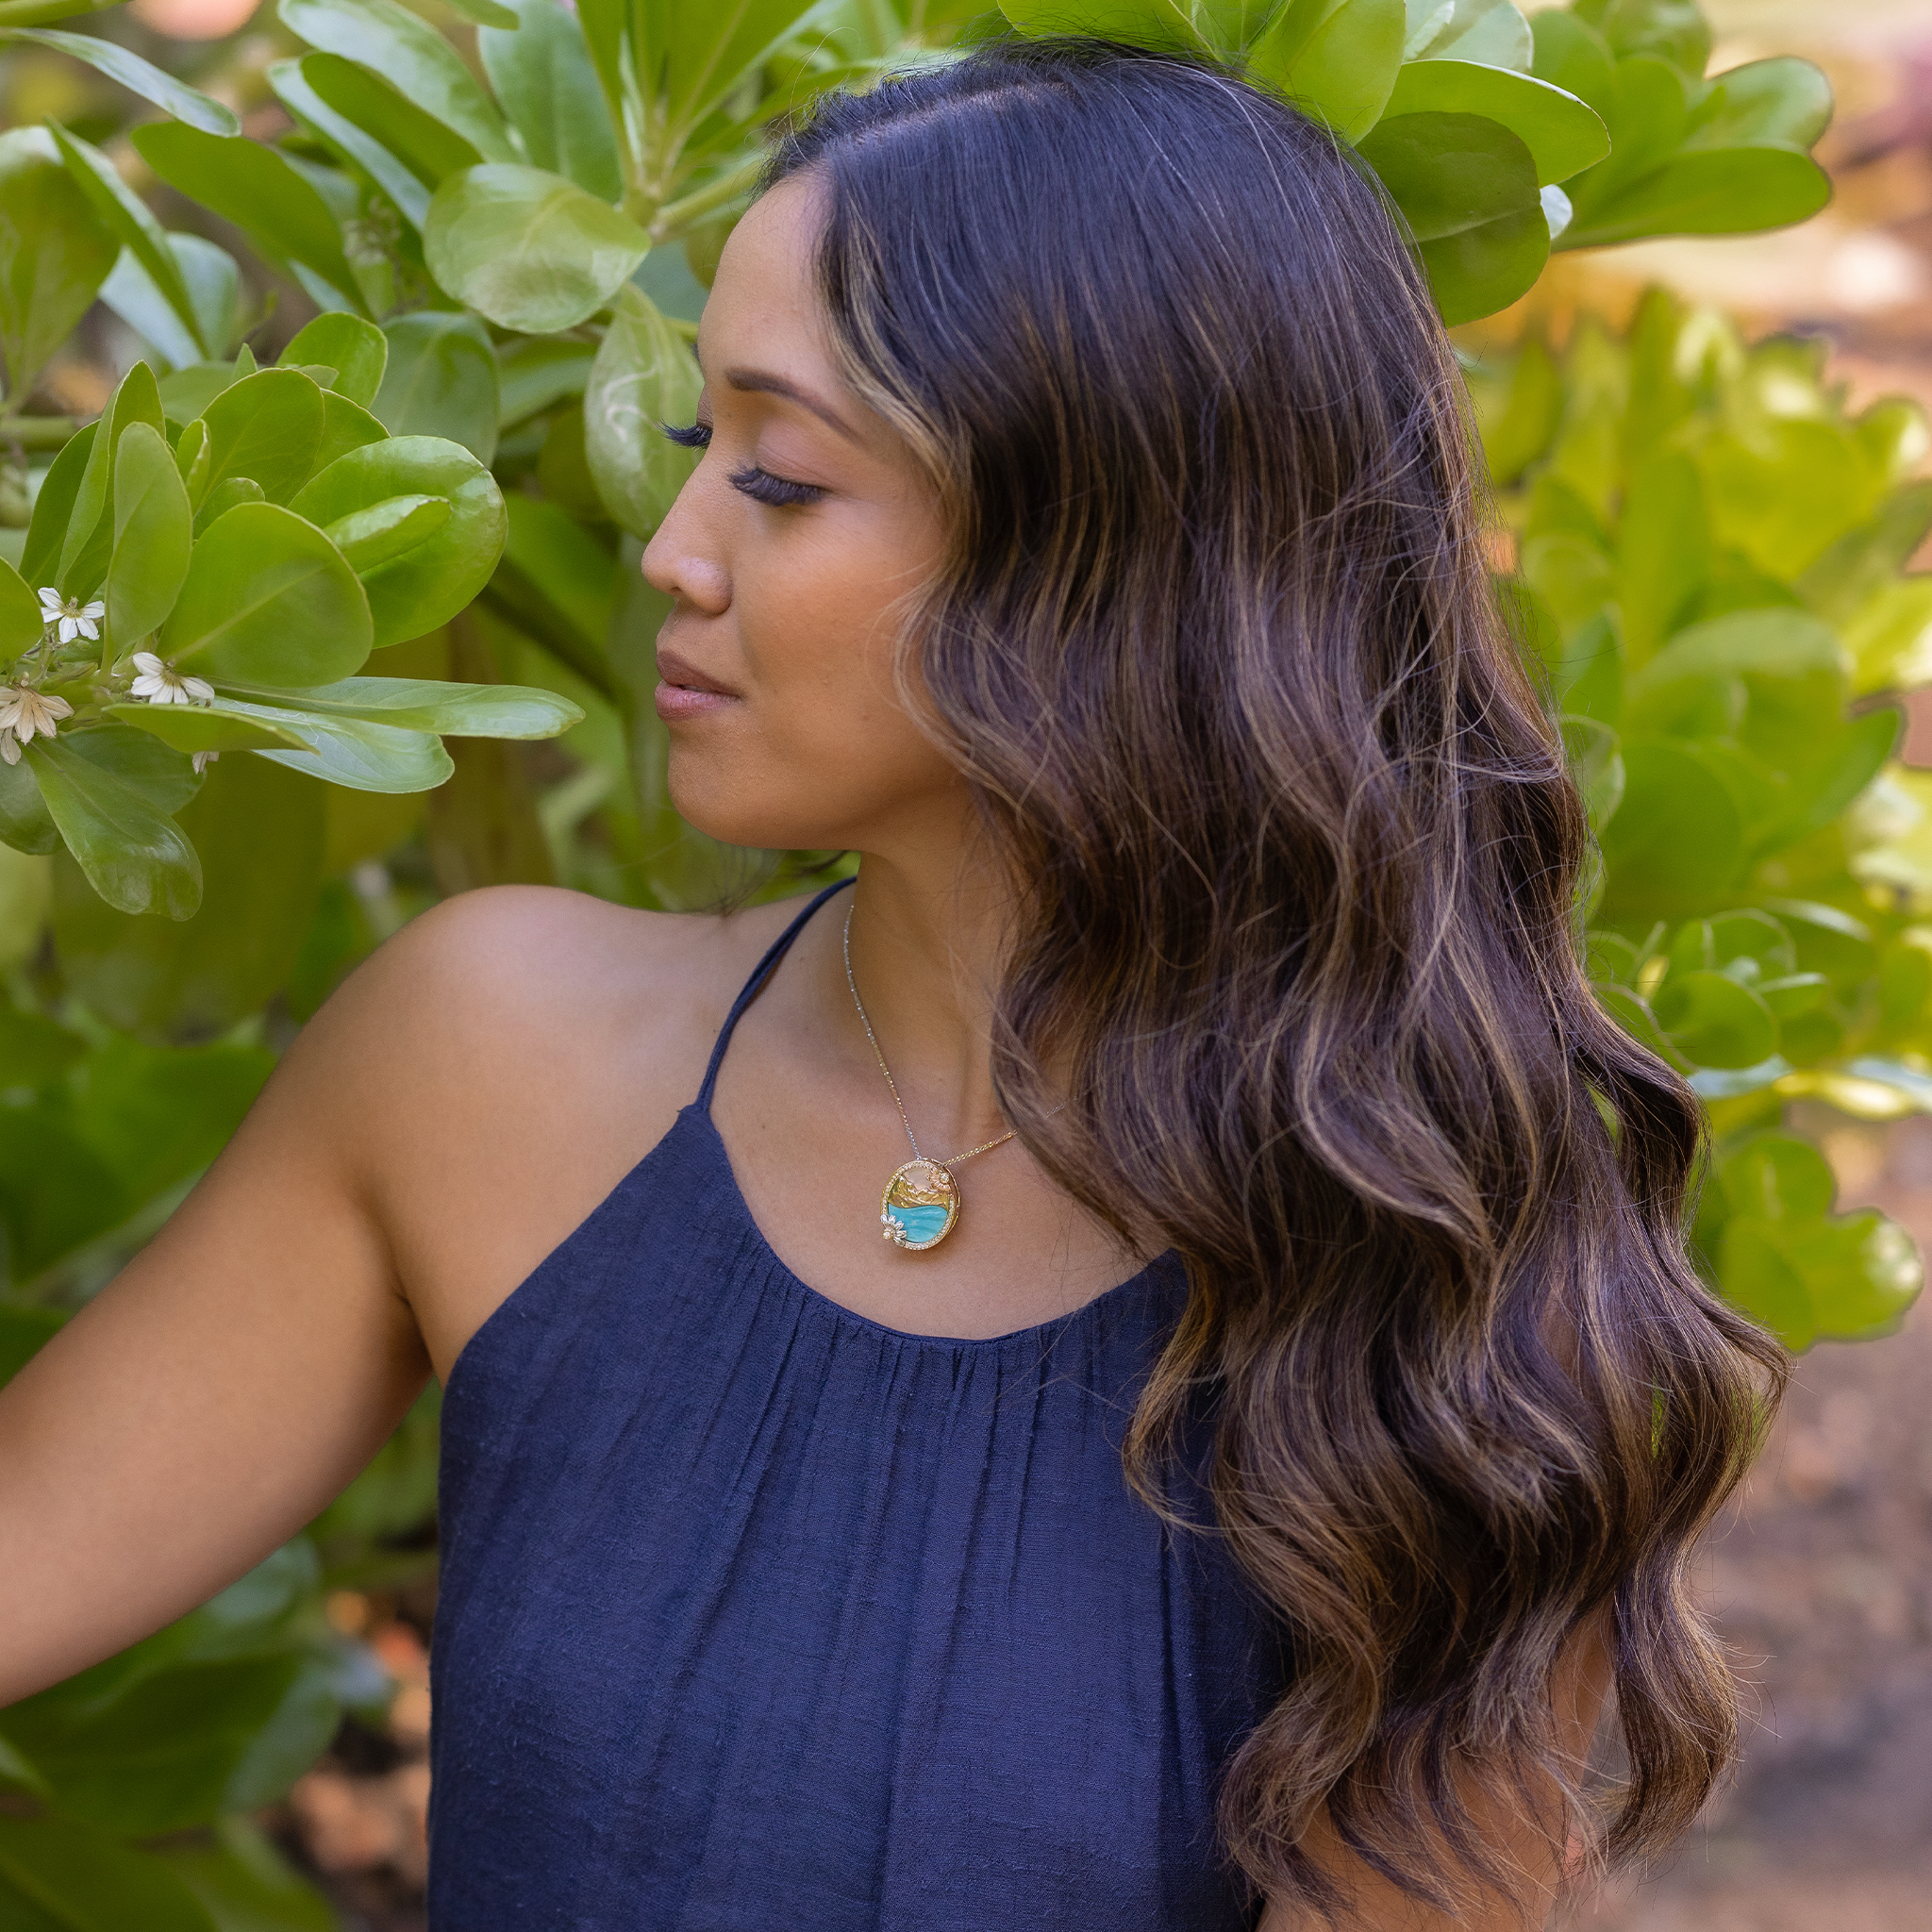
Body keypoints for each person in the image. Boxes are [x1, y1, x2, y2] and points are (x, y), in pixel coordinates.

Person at [0, 35, 1786, 1932]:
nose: (673, 550)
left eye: (779, 476)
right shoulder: (486, 1058)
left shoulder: (1433, 1306)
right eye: (703, 450)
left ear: (1111, 554)